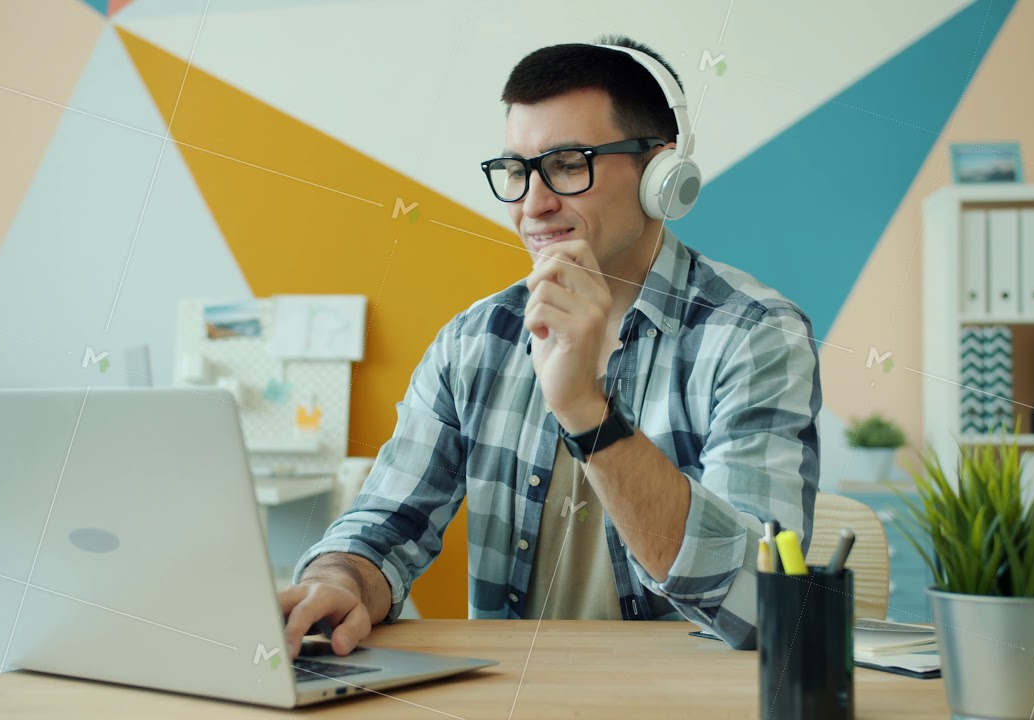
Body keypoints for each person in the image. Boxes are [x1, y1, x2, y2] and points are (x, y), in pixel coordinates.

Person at [280, 34, 821, 659]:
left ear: (661, 175)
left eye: (567, 164)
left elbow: (761, 606)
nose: (534, 205)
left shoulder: (755, 334)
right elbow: (386, 526)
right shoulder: (474, 343)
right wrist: (337, 579)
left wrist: (587, 411)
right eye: (516, 171)